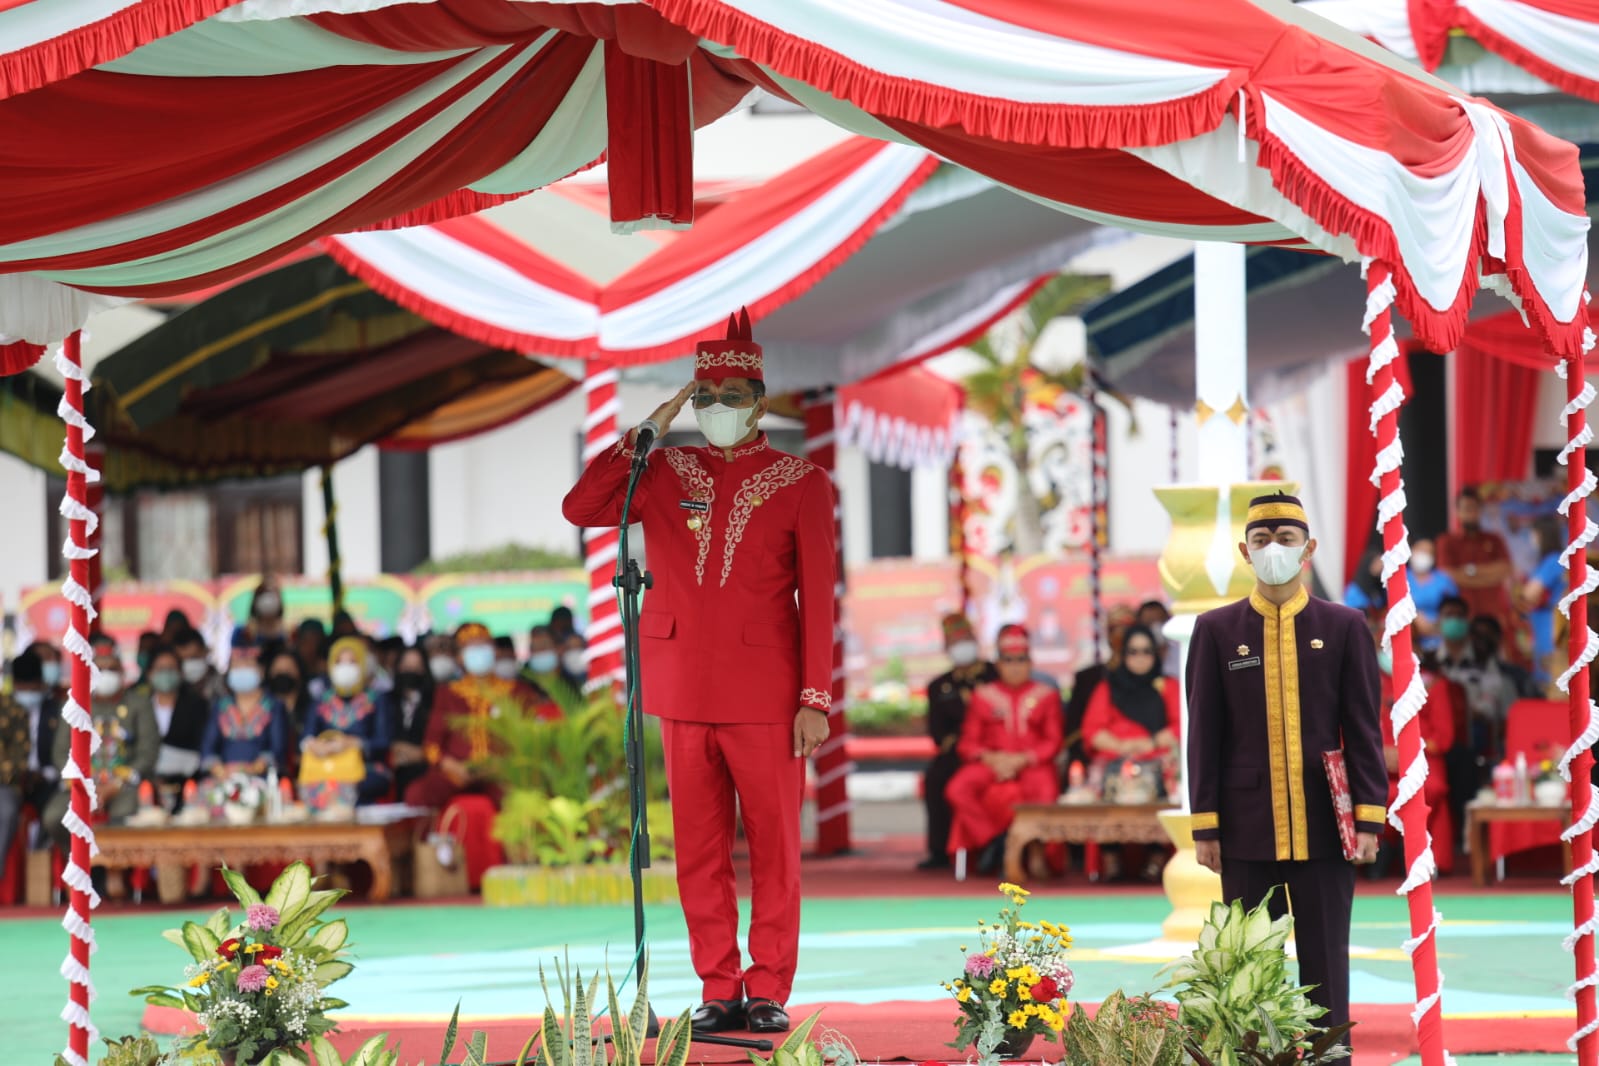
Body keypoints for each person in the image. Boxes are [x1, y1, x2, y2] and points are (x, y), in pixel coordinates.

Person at [561, 309, 837, 1036]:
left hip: (769, 695)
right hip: (681, 687)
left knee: (775, 849)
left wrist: (816, 698)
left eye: (731, 395)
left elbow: (819, 594)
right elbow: (581, 507)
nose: (717, 409)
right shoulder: (661, 469)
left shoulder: (801, 480)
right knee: (699, 851)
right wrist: (644, 431)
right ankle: (718, 984)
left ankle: (768, 984)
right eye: (704, 395)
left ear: (761, 402)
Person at [1186, 492, 1387, 1039]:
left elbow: (1364, 728)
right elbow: (1203, 732)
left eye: (1286, 539)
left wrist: (1370, 818)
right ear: (1244, 552)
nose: (1273, 548)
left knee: (1326, 956)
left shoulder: (1344, 625)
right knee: (1250, 964)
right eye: (1261, 540)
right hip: (1245, 827)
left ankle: (1327, 1054)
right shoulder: (1216, 630)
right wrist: (1205, 823)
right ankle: (1254, 1054)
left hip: (1326, 824)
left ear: (1308, 549)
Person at [945, 624, 1063, 876]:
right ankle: (993, 840)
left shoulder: (1046, 695)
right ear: (998, 664)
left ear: (1030, 662)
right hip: (991, 763)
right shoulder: (983, 695)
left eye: (1021, 659)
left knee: (1044, 788)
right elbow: (968, 742)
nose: (1015, 666)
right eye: (1008, 660)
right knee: (957, 788)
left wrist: (1023, 759)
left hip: (1032, 763)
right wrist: (992, 758)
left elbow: (1053, 741)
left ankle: (1037, 854)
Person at [403, 623, 557, 810]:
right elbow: (432, 746)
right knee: (417, 792)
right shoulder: (447, 694)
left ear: (495, 651)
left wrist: (504, 766)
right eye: (471, 647)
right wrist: (453, 767)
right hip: (458, 773)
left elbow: (533, 738)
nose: (478, 652)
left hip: (504, 773)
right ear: (459, 657)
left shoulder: (517, 691)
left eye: (483, 645)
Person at [45, 636, 161, 853]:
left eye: (112, 669)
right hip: (81, 786)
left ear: (122, 672)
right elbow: (60, 753)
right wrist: (86, 787)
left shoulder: (139, 703)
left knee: (126, 813)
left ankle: (114, 873)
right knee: (54, 816)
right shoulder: (74, 705)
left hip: (124, 786)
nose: (106, 674)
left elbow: (148, 752)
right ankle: (78, 864)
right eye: (100, 668)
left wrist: (113, 786)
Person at [1370, 620, 1457, 877]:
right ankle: (1380, 850)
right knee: (1365, 790)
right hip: (1376, 765)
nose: (1389, 649)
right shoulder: (1364, 681)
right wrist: (1379, 754)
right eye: (1385, 642)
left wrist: (1406, 755)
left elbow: (1444, 737)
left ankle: (1419, 854)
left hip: (1421, 764)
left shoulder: (1431, 684)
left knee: (1428, 790)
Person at [918, 614, 997, 871]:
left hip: (995, 749)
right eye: (955, 641)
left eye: (965, 639)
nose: (961, 645)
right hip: (958, 752)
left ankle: (993, 845)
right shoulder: (939, 686)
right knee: (936, 778)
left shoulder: (995, 675)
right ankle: (939, 850)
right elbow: (939, 734)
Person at [301, 636, 393, 805]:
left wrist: (354, 743)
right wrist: (316, 745)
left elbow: (384, 742)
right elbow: (306, 736)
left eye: (352, 662)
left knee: (354, 786)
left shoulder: (377, 700)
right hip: (326, 767)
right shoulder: (321, 700)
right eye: (339, 662)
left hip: (365, 770)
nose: (345, 668)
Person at [0, 650, 60, 876]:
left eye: (32, 688)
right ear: (14, 685)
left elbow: (63, 753)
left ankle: (45, 869)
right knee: (4, 810)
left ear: (41, 683)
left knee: (55, 813)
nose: (28, 693)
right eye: (22, 688)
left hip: (47, 780)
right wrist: (18, 773)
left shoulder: (58, 710)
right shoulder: (6, 710)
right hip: (10, 781)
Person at [1437, 486, 1516, 647]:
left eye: (1474, 508)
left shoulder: (1494, 540)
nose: (1471, 513)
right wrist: (1488, 576)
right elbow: (1448, 575)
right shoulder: (1447, 541)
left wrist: (1468, 573)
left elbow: (1505, 569)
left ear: (1481, 511)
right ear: (1457, 512)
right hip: (1461, 617)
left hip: (1493, 615)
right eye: (1466, 509)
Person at [199, 636, 288, 778]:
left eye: (247, 665)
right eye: (236, 666)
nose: (241, 670)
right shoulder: (221, 706)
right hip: (224, 779)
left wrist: (253, 769)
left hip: (261, 779)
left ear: (261, 670)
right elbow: (208, 747)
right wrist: (219, 769)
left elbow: (277, 748)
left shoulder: (274, 706)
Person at [1061, 604, 1137, 769]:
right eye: (1114, 630)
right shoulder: (1089, 678)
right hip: (1095, 759)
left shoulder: (1152, 678)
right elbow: (1074, 733)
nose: (1120, 637)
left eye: (1126, 630)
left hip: (1142, 756)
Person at [143, 644, 208, 800]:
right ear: (149, 674)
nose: (166, 673)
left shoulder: (197, 706)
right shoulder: (142, 707)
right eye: (160, 669)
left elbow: (202, 746)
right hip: (148, 786)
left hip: (188, 785)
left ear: (180, 673)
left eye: (171, 668)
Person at [1517, 514, 1566, 685]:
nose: (1531, 539)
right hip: (1544, 627)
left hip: (1550, 627)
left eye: (1533, 534)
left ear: (1541, 535)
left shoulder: (1552, 561)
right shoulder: (1554, 560)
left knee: (1550, 682)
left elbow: (1529, 593)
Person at [386, 645, 435, 799]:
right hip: (392, 769)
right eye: (406, 667)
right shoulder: (386, 701)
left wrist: (421, 753)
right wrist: (394, 748)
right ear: (398, 668)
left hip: (423, 768)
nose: (410, 672)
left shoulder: (434, 701)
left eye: (416, 667)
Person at [1406, 538, 1457, 647]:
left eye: (1428, 552)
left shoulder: (1443, 580)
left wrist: (1436, 626)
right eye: (1420, 550)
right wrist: (1414, 620)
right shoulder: (1400, 578)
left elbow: (1455, 610)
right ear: (1411, 551)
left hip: (1439, 638)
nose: (1423, 554)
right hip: (1409, 637)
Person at [174, 628, 226, 703]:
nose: (188, 664)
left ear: (206, 652)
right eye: (183, 660)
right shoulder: (175, 687)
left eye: (193, 657)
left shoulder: (223, 684)